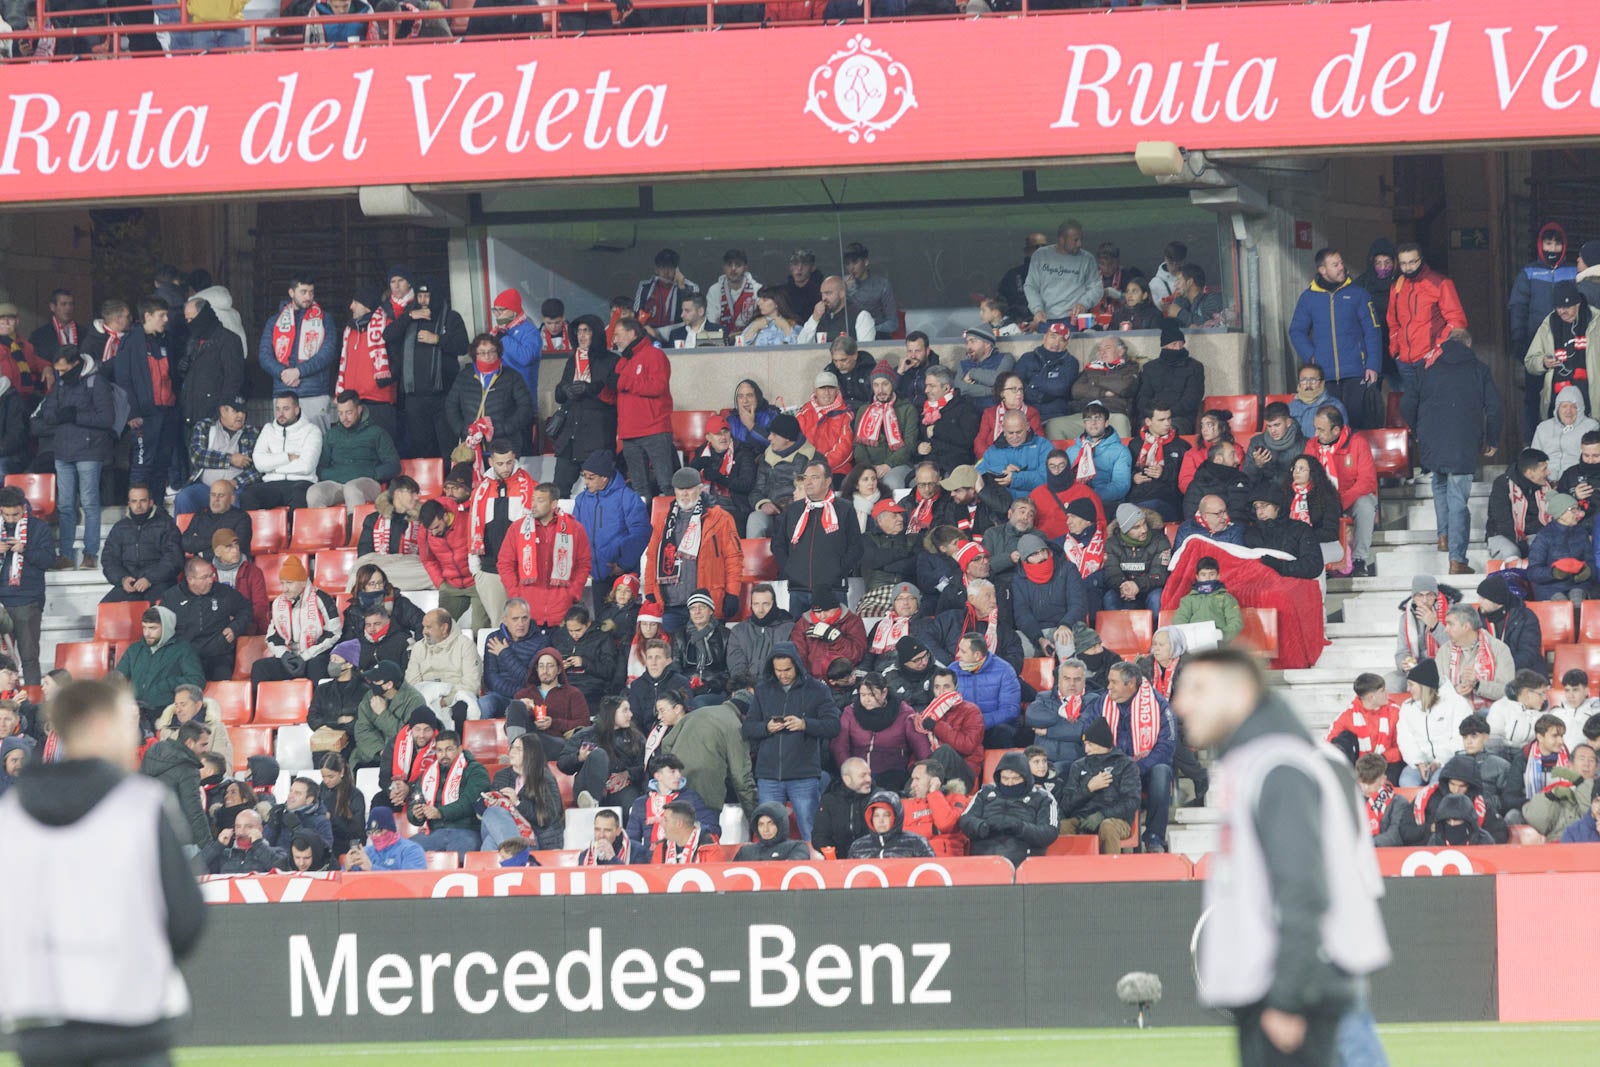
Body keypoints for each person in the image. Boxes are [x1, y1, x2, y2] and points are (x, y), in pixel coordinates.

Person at [1176, 649, 1389, 1067]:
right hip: (1283, 982)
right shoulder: (1263, 761)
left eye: (1198, 689)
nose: (1182, 703)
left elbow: (1302, 885)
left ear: (1239, 694)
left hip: (1292, 987)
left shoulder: (1278, 766)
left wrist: (1290, 997)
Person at [1, 677, 207, 1060]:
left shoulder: (10, 817)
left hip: (42, 1025)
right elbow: (186, 919)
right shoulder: (142, 806)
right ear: (99, 726)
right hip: (130, 1020)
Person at [1402, 333, 1501, 573]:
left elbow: (1406, 404)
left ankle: (1443, 536)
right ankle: (1457, 559)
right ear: (1468, 344)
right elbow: (1495, 408)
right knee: (1458, 500)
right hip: (1463, 444)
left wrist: (1417, 431)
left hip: (1431, 442)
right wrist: (1493, 439)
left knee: (1439, 483)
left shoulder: (1426, 367)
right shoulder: (1479, 369)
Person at [742, 642, 840, 841]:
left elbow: (833, 725)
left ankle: (816, 869)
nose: (783, 674)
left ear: (797, 665)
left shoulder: (817, 690)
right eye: (778, 671)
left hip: (803, 775)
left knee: (810, 831)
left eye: (787, 669)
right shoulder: (763, 690)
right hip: (768, 775)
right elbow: (748, 727)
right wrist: (766, 727)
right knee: (768, 836)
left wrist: (805, 724)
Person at [33, 346, 115, 571]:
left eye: (63, 369)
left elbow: (107, 418)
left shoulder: (96, 382)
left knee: (89, 503)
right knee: (65, 505)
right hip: (62, 450)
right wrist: (57, 415)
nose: (59, 374)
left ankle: (90, 554)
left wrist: (75, 415)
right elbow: (46, 412)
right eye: (57, 370)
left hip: (89, 451)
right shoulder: (60, 384)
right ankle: (66, 555)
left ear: (75, 364)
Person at [1288, 247, 1382, 424]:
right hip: (1325, 373)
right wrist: (1311, 355)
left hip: (1357, 371)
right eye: (1335, 264)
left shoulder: (1359, 294)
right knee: (1331, 423)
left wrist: (1373, 364)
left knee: (1357, 422)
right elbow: (1296, 331)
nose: (1341, 267)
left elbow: (1373, 330)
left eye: (1341, 263)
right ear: (1322, 270)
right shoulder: (1308, 298)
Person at [393, 281, 469, 460]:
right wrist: (409, 316)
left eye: (427, 296)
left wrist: (438, 339)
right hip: (415, 397)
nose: (423, 301)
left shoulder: (451, 318)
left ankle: (451, 485)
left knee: (447, 446)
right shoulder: (411, 319)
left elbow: (463, 346)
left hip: (444, 396)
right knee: (421, 449)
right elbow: (388, 335)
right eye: (419, 296)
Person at [656, 688, 757, 819]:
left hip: (677, 788)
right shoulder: (735, 726)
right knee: (706, 836)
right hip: (707, 795)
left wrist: (672, 771)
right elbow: (741, 776)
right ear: (746, 714)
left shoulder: (697, 712)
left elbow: (666, 743)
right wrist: (754, 816)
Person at [549, 315, 619, 495]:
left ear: (595, 333)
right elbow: (559, 394)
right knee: (559, 490)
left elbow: (614, 395)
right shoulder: (573, 359)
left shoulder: (610, 360)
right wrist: (565, 389)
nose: (582, 335)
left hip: (597, 436)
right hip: (570, 436)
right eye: (579, 331)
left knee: (600, 490)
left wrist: (590, 389)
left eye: (586, 331)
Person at [1388, 242, 1468, 400]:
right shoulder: (1397, 286)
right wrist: (1396, 350)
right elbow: (1393, 320)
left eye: (1412, 262)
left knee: (1434, 406)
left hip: (1430, 359)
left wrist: (1437, 350)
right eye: (1403, 263)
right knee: (1412, 408)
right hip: (1404, 361)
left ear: (1421, 260)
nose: (1408, 267)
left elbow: (1457, 321)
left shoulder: (1440, 283)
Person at [1305, 405, 1378, 577]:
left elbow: (1366, 482)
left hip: (1350, 498)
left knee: (1366, 505)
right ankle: (1321, 561)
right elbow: (1306, 475)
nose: (1316, 434)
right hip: (1322, 500)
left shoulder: (1357, 442)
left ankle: (1360, 560)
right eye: (1316, 428)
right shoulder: (1312, 445)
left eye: (1321, 430)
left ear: (1336, 429)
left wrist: (1339, 502)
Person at [259, 274, 338, 431]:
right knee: (285, 445)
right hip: (283, 393)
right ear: (291, 293)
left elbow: (328, 353)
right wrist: (283, 373)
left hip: (314, 392)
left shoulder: (324, 319)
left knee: (319, 444)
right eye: (303, 292)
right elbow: (264, 355)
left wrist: (298, 372)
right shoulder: (274, 321)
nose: (308, 296)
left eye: (311, 292)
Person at [610, 316, 677, 497]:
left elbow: (658, 386)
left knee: (667, 484)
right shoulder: (623, 361)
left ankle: (673, 524)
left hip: (654, 430)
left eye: (617, 335)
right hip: (629, 434)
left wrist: (624, 381)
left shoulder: (655, 355)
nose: (614, 340)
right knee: (639, 488)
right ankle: (642, 525)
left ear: (632, 333)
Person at [444, 333, 535, 463]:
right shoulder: (464, 377)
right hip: (472, 445)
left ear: (498, 352)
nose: (487, 356)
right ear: (475, 354)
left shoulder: (512, 376)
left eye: (491, 351)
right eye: (482, 352)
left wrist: (504, 428)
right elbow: (451, 405)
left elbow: (526, 407)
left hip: (505, 444)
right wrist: (462, 429)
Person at [253, 554, 340, 687]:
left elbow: (334, 632)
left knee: (318, 666)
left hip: (314, 656)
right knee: (260, 668)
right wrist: (284, 655)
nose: (284, 588)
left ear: (303, 582)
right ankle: (264, 706)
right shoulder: (278, 603)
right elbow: (272, 636)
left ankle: (319, 706)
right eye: (282, 583)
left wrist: (306, 656)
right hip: (289, 658)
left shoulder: (321, 598)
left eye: (290, 583)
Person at [161, 557, 253, 682]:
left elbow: (246, 609)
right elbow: (162, 626)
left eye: (211, 575)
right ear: (190, 580)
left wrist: (235, 628)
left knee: (223, 687)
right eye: (205, 577)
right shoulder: (171, 597)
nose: (210, 580)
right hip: (186, 656)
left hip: (219, 655)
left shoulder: (224, 592)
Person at [960, 750, 1059, 865]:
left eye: (1015, 778)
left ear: (1025, 776)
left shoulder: (1043, 797)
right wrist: (983, 826)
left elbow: (1050, 832)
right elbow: (965, 819)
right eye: (1005, 778)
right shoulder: (985, 793)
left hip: (1023, 862)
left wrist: (1019, 827)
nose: (1010, 783)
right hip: (983, 858)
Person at [1058, 717, 1141, 854]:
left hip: (1115, 820)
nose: (1086, 749)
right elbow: (1066, 805)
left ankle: (1109, 873)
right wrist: (1088, 789)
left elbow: (1132, 801)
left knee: (1107, 826)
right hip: (1082, 819)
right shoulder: (1078, 766)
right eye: (1084, 744)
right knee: (1062, 826)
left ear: (1102, 742)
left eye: (1090, 744)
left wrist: (1102, 815)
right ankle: (1069, 872)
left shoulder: (1126, 765)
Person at [306, 391, 399, 511]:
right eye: (340, 413)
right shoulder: (331, 435)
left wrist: (373, 473)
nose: (344, 418)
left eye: (349, 412)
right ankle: (323, 529)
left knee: (352, 488)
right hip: (336, 483)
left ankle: (354, 528)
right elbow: (320, 467)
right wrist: (337, 475)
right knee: (314, 492)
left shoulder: (377, 432)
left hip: (367, 482)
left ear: (359, 409)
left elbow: (393, 464)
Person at [1524, 281, 1600, 422]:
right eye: (1558, 307)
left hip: (1592, 406)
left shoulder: (1596, 321)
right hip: (1557, 408)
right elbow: (1530, 362)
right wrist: (1544, 363)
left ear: (1578, 304)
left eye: (1566, 307)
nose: (1562, 312)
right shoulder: (1549, 323)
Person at [0, 487, 53, 685]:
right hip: (1, 600)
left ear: (24, 508)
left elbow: (48, 559)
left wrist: (25, 549)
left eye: (16, 514)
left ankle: (32, 704)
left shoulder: (39, 528)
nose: (11, 519)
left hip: (27, 600)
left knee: (29, 656)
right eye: (6, 514)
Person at [478, 733, 565, 851]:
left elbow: (547, 817)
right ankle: (519, 855)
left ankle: (516, 854)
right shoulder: (502, 775)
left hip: (536, 837)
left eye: (518, 749)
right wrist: (491, 801)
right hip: (505, 829)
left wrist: (517, 803)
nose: (512, 752)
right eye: (512, 747)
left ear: (531, 754)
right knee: (493, 812)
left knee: (489, 843)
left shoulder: (544, 778)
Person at [560, 696, 647, 812]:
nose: (630, 714)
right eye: (625, 710)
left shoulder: (636, 737)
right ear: (611, 713)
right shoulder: (586, 734)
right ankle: (593, 803)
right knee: (598, 754)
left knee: (632, 806)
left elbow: (643, 766)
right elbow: (563, 764)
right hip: (587, 789)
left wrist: (628, 774)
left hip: (619, 788)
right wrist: (579, 758)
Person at [176, 398, 259, 517]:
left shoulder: (251, 433)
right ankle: (183, 535)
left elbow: (257, 468)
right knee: (184, 497)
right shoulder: (205, 426)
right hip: (206, 488)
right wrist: (230, 459)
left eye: (243, 412)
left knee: (237, 499)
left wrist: (235, 482)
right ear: (222, 411)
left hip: (234, 489)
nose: (240, 415)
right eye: (235, 411)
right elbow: (197, 456)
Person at [240, 393, 322, 511]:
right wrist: (288, 457)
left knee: (301, 497)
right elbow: (259, 464)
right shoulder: (268, 429)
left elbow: (306, 466)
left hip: (301, 482)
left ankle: (293, 529)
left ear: (297, 410)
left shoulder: (312, 430)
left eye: (286, 409)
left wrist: (272, 465)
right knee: (248, 495)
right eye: (278, 409)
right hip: (272, 483)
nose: (280, 414)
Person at [1396, 659, 1470, 785]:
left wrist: (1439, 761)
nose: (1407, 689)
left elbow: (1460, 739)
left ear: (1423, 685)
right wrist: (1418, 762)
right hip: (1419, 764)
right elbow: (1405, 741)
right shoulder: (1407, 707)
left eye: (1411, 684)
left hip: (1447, 761)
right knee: (1406, 782)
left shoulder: (1456, 703)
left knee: (1436, 784)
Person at [406, 608, 484, 727]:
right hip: (426, 696)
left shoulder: (465, 645)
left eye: (429, 627)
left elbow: (471, 684)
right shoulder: (418, 647)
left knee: (461, 709)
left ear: (444, 628)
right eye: (424, 627)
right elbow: (412, 682)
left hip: (456, 696)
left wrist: (446, 700)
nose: (424, 632)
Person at [1024, 219, 1102, 329]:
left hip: (1075, 320)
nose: (1080, 244)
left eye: (1080, 239)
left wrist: (1084, 304)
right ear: (1061, 239)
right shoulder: (1040, 256)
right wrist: (1037, 310)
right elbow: (1031, 286)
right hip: (1045, 318)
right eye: (1075, 240)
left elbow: (1097, 288)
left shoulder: (1087, 259)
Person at [1325, 673, 1404, 780]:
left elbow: (1403, 747)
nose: (1387, 693)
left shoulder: (1395, 712)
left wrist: (1382, 758)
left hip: (1388, 764)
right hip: (1359, 768)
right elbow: (1330, 743)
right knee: (1343, 739)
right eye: (1383, 691)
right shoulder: (1347, 716)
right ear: (1371, 697)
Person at [1136, 320, 1206, 434]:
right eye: (1174, 344)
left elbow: (1191, 399)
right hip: (1153, 417)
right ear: (1164, 345)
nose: (1178, 348)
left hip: (1180, 417)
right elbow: (1143, 397)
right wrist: (1154, 415)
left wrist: (1166, 415)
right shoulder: (1150, 368)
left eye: (1181, 343)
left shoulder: (1194, 367)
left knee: (1172, 427)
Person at [1528, 492, 1598, 603]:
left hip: (1577, 584)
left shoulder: (1582, 533)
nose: (1579, 514)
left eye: (1578, 509)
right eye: (1573, 510)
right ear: (1560, 514)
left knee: (1578, 600)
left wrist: (1588, 572)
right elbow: (1533, 572)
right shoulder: (1544, 536)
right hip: (1550, 587)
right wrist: (1553, 573)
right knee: (1561, 604)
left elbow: (1591, 561)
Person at [1245, 485, 1324, 581]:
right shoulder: (1251, 533)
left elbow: (1313, 565)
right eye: (1256, 508)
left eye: (1264, 506)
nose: (1260, 512)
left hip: (1294, 589)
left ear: (1278, 506)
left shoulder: (1300, 529)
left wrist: (1281, 566)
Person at [488, 289, 541, 396]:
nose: (497, 315)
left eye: (501, 310)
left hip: (522, 394)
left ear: (514, 310)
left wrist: (504, 339)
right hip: (501, 391)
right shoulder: (500, 331)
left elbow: (526, 357)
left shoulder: (530, 331)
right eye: (495, 310)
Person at [346, 807, 426, 871]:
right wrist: (347, 869)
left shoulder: (411, 850)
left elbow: (411, 881)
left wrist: (372, 868)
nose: (374, 836)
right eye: (370, 833)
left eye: (378, 831)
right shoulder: (366, 852)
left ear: (390, 829)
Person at [734, 801, 813, 861]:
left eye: (771, 823)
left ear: (781, 824)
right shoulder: (745, 852)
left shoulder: (797, 847)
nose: (766, 829)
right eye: (761, 824)